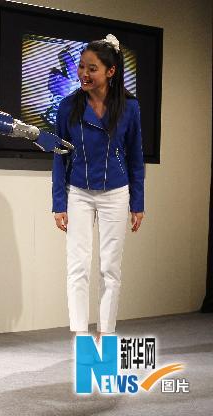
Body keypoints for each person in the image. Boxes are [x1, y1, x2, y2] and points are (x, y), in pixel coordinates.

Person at [51, 34, 145, 342]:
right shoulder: (67, 107)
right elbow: (59, 156)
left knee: (110, 268)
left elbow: (135, 157)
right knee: (77, 266)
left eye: (92, 68)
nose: (83, 74)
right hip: (78, 192)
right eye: (81, 67)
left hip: (116, 193)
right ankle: (81, 334)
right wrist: (59, 203)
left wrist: (137, 203)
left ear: (110, 71)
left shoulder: (130, 107)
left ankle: (106, 332)